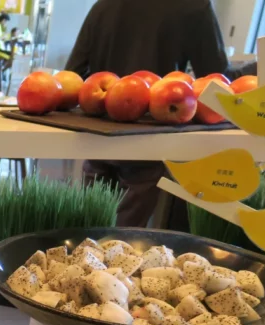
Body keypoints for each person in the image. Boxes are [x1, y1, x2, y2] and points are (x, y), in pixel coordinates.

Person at [66, 0, 228, 227]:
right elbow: (215, 79)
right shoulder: (193, 6)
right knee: (123, 242)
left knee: (89, 231)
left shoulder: (104, 5)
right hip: (149, 141)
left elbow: (73, 74)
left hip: (100, 138)